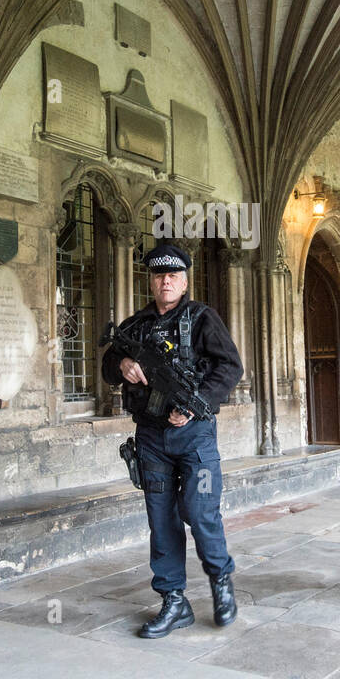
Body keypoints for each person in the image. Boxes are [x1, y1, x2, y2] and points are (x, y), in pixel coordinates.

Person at [101, 243, 244, 638]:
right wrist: (123, 364)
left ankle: (220, 582)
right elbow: (108, 365)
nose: (166, 281)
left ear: (184, 280)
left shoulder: (202, 318)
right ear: (151, 280)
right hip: (150, 437)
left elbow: (230, 367)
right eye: (159, 275)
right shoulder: (134, 326)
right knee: (161, 518)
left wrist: (197, 405)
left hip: (194, 435)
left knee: (200, 511)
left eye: (173, 276)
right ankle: (174, 602)